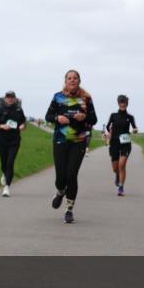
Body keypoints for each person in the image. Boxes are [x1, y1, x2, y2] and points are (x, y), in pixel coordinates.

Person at [44, 70, 97, 223]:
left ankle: (69, 209)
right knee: (61, 178)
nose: (72, 80)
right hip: (60, 140)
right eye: (69, 78)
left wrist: (85, 116)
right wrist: (57, 118)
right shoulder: (58, 97)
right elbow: (48, 116)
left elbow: (94, 119)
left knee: (71, 175)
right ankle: (60, 192)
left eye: (75, 78)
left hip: (78, 141)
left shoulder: (86, 98)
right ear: (65, 81)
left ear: (79, 81)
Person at [0, 90, 26, 197]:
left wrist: (22, 126)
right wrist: (2, 126)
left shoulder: (19, 109)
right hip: (2, 140)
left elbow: (24, 122)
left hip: (14, 140)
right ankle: (4, 173)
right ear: (5, 98)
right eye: (8, 97)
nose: (10, 98)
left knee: (10, 163)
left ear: (15, 99)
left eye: (12, 97)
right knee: (4, 163)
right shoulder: (1, 109)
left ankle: (7, 187)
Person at [104, 95, 138, 197]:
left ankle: (121, 187)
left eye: (124, 102)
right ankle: (117, 175)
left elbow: (135, 128)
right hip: (114, 143)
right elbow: (106, 127)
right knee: (115, 168)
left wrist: (135, 130)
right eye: (121, 102)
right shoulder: (113, 115)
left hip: (125, 143)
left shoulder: (130, 117)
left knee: (122, 164)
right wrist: (107, 134)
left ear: (127, 104)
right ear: (118, 103)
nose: (122, 104)